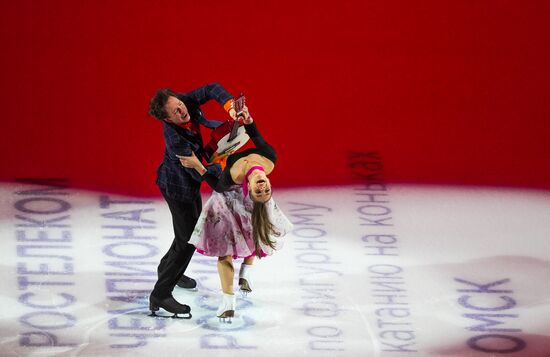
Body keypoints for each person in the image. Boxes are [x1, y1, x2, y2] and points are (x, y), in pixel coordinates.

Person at [179, 105, 293, 321]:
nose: (263, 188)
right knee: (229, 250)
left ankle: (244, 275)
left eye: (260, 191)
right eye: (266, 189)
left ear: (249, 190)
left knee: (253, 236)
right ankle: (229, 301)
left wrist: (197, 165)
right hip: (229, 199)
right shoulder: (269, 158)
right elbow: (255, 135)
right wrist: (248, 119)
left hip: (226, 197)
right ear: (268, 182)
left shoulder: (233, 176)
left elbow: (218, 186)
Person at [147, 83, 238, 318]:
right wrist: (220, 160)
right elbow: (197, 172)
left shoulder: (184, 101)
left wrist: (231, 107)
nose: (182, 110)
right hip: (178, 189)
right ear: (167, 119)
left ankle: (168, 271)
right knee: (188, 240)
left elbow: (212, 89)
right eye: (175, 112)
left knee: (187, 235)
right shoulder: (174, 139)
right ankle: (161, 293)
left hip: (187, 186)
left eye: (179, 104)